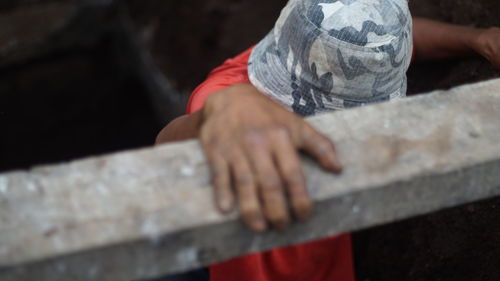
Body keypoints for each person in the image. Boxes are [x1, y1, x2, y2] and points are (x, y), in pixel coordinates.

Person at [156, 0, 500, 280]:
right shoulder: (229, 115)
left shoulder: (295, 53)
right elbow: (167, 146)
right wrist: (213, 115)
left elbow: (383, 52)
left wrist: (474, 38)